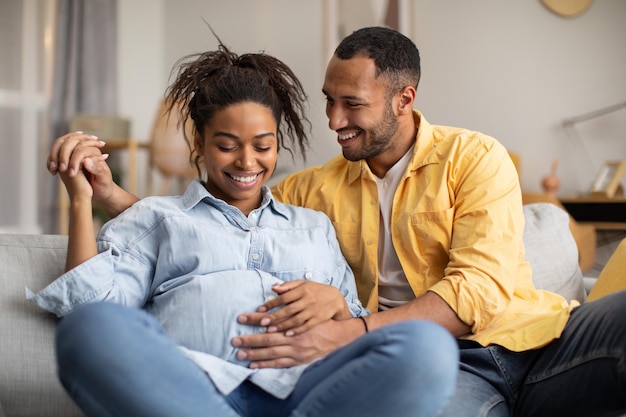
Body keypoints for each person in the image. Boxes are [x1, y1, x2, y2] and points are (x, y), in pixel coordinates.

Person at [48, 27, 626, 416]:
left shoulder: (473, 158)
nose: (333, 119)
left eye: (352, 104)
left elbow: (479, 290)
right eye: (329, 100)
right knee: (423, 360)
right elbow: (225, 207)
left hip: (533, 339)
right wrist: (109, 195)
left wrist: (348, 327)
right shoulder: (313, 191)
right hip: (449, 368)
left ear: (404, 99)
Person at [31, 39, 459, 417]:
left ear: (277, 144)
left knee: (427, 347)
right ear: (199, 143)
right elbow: (89, 303)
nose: (247, 162)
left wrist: (339, 305)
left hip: (308, 390)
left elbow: (354, 329)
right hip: (193, 390)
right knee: (88, 330)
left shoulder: (314, 224)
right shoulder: (158, 218)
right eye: (226, 145)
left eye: (263, 146)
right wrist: (84, 199)